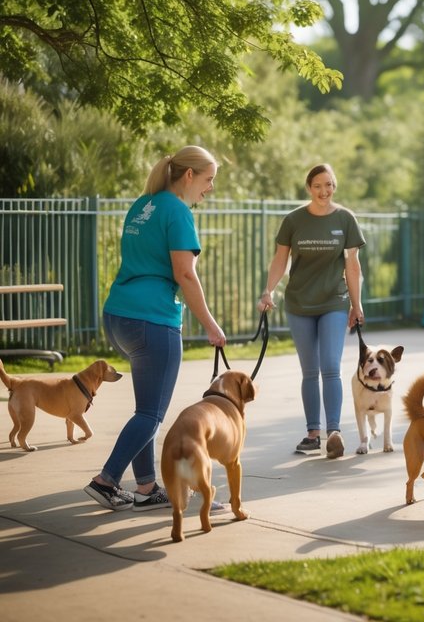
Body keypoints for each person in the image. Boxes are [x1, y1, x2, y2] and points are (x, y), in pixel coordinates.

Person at [85, 146, 227, 511]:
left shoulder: (143, 205)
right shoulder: (178, 212)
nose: (210, 188)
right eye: (209, 179)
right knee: (152, 414)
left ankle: (147, 487)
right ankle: (107, 481)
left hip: (119, 314)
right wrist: (210, 324)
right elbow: (184, 274)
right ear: (190, 175)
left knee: (146, 409)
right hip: (152, 319)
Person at [259, 163, 365, 459]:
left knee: (330, 366)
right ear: (309, 188)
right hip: (299, 303)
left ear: (335, 186)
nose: (324, 191)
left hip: (333, 300)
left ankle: (334, 432)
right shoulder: (294, 220)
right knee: (309, 370)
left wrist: (356, 306)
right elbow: (280, 260)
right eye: (318, 185)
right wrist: (268, 291)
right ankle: (312, 433)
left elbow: (352, 266)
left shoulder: (345, 219)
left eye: (329, 185)